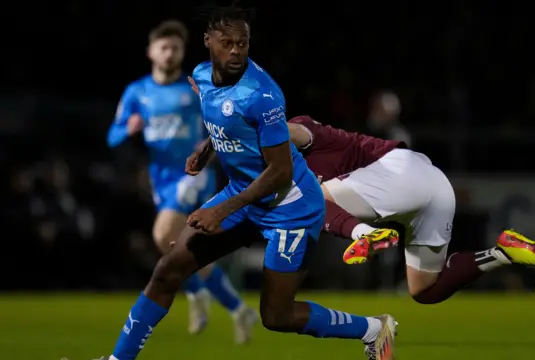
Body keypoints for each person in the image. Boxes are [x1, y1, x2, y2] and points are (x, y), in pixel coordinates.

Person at [104, 5, 396, 360]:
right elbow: (225, 118)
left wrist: (220, 211)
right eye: (227, 43)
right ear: (208, 41)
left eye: (243, 43)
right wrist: (208, 147)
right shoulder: (201, 76)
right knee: (169, 268)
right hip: (245, 195)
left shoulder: (262, 95)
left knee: (277, 316)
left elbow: (280, 173)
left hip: (290, 208)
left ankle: (373, 329)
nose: (236, 51)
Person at [286, 115, 535, 305]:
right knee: (424, 289)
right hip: (434, 184)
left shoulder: (294, 132)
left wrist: (249, 129)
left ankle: (366, 234)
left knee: (307, 200)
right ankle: (503, 253)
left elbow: (293, 132)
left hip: (398, 172)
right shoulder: (274, 173)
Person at [106, 19, 256, 341]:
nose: (170, 53)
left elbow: (220, 121)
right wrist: (128, 129)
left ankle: (197, 293)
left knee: (162, 234)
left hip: (193, 174)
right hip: (160, 179)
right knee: (181, 250)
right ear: (151, 52)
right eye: (164, 47)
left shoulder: (193, 89)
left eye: (176, 47)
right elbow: (112, 136)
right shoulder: (137, 92)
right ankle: (236, 308)